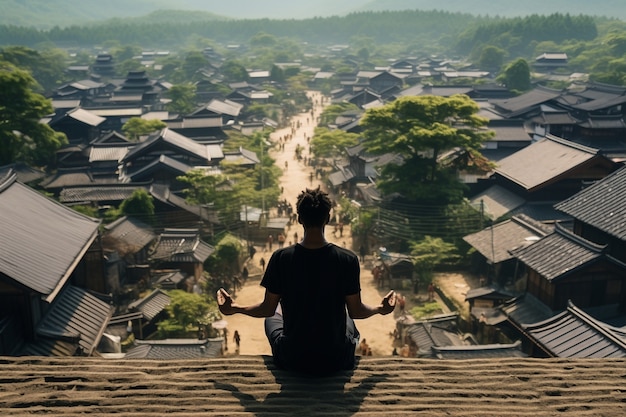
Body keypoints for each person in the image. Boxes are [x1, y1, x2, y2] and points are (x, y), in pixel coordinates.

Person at [217, 187, 395, 376]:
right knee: (348, 316)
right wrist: (379, 309)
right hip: (335, 358)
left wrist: (234, 308)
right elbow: (357, 311)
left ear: (299, 219)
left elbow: (266, 309)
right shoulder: (348, 259)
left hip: (293, 358)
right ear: (328, 218)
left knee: (273, 315)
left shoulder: (281, 258)